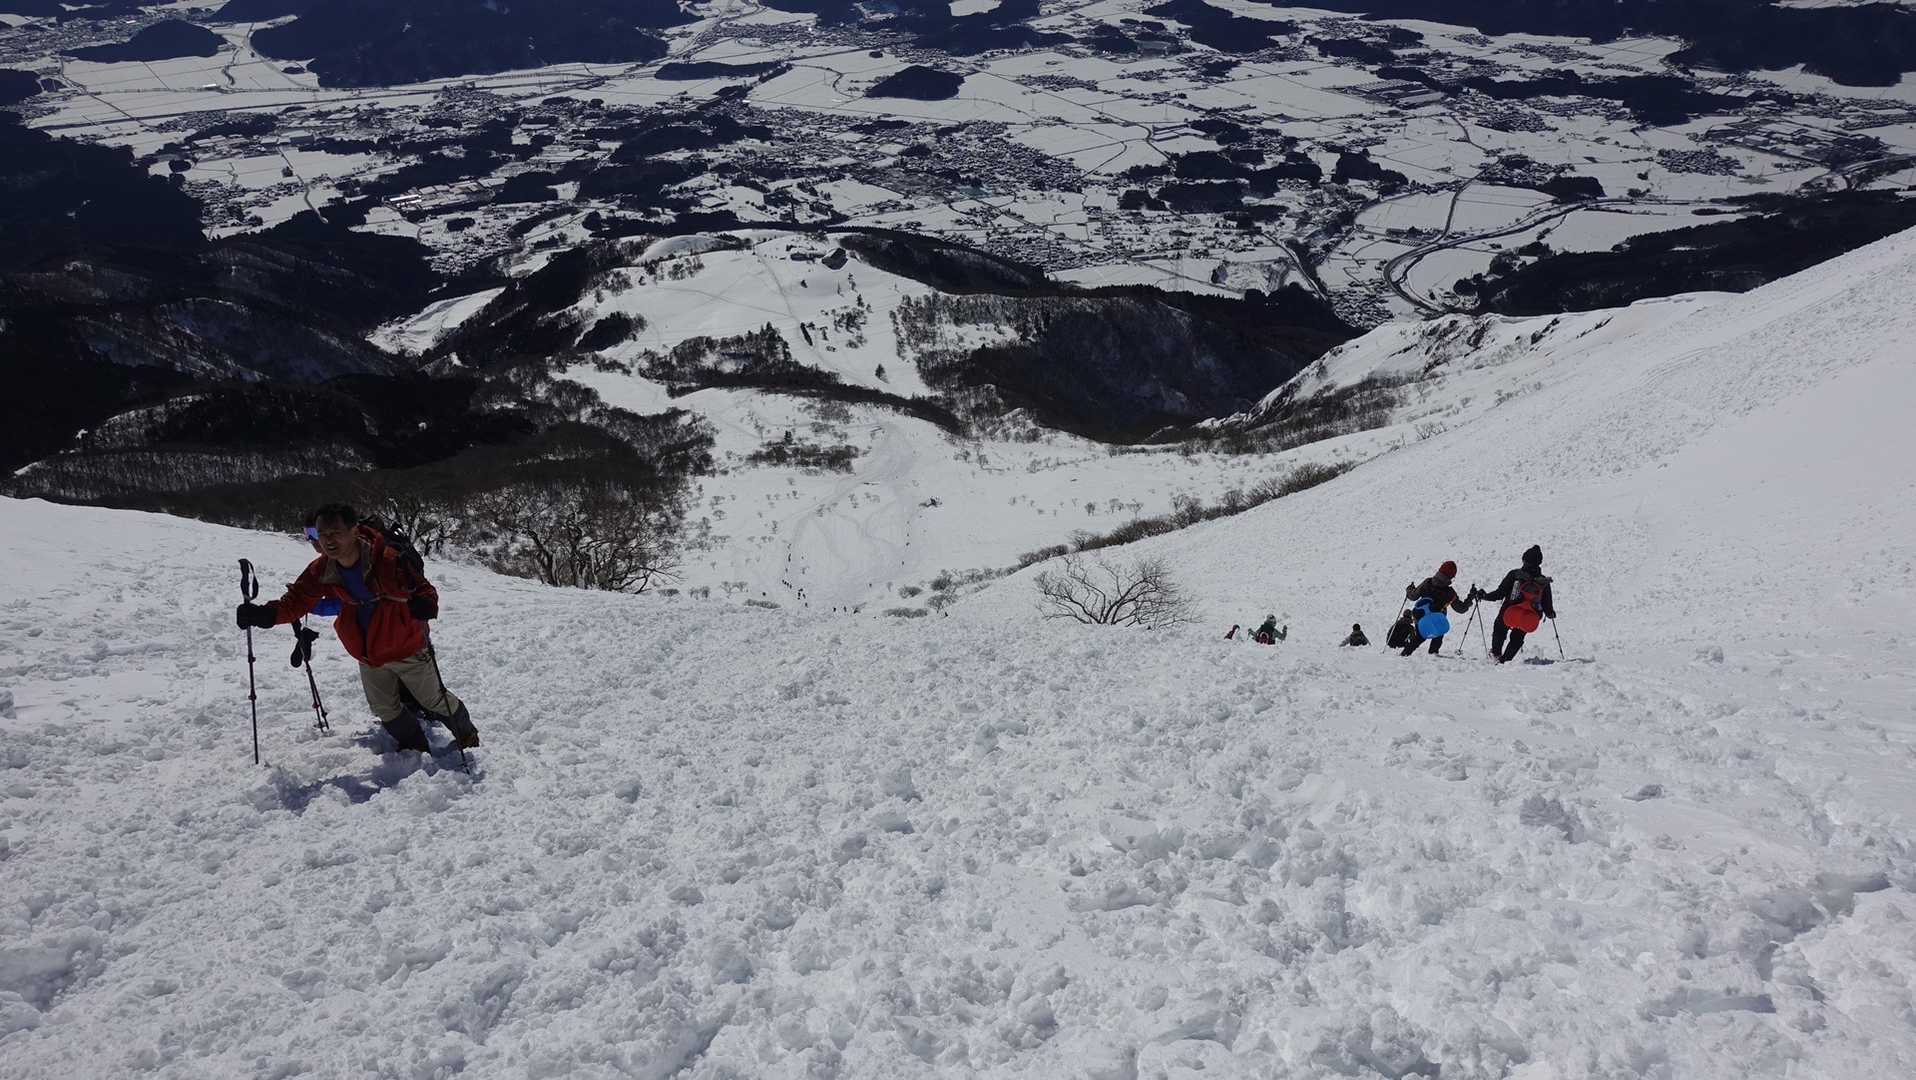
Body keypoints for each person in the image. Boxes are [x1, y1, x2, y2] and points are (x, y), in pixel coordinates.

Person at [236, 503, 479, 754]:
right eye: (322, 534)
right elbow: (297, 601)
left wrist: (426, 603)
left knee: (434, 699)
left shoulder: (387, 560)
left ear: (354, 531)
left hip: (406, 646)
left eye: (335, 533)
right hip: (368, 653)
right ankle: (414, 749)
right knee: (384, 708)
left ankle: (467, 734)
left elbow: (424, 589)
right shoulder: (322, 569)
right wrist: (265, 614)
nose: (328, 540)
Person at [1479, 544, 1556, 663]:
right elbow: (1548, 608)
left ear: (1524, 559)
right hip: (1529, 616)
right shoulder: (1543, 582)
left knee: (1500, 628)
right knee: (1518, 636)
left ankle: (1496, 654)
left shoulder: (1515, 574)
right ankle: (1506, 660)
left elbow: (1499, 594)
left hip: (1510, 612)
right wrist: (1551, 614)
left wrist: (1484, 596)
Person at [1400, 561, 1474, 656]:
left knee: (1419, 637)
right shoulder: (1450, 593)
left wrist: (1409, 589)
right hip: (1437, 622)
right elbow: (1461, 609)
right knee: (1439, 630)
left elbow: (1413, 596)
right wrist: (1470, 597)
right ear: (1451, 576)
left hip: (1420, 619)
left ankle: (1404, 655)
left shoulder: (1427, 582)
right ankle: (1433, 654)